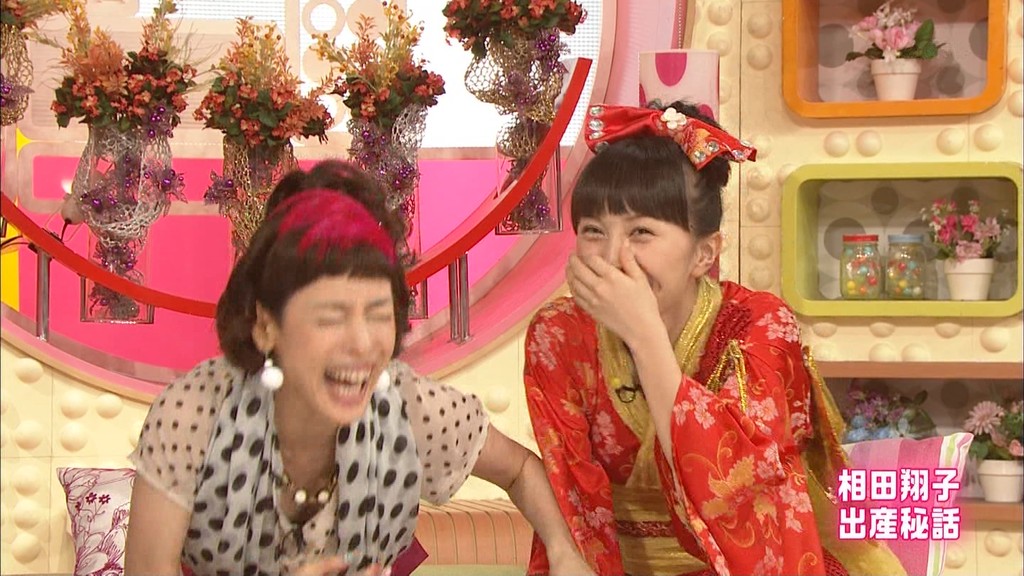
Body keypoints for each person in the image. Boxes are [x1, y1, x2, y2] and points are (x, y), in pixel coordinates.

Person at [125, 162, 592, 575]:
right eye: (331, 317)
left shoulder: (408, 405)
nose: (364, 344)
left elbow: (520, 470)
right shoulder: (195, 412)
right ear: (265, 326)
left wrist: (565, 553)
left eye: (378, 314)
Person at [522, 102, 907, 576]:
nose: (613, 256)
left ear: (704, 253)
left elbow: (748, 496)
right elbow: (575, 496)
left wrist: (645, 336)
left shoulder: (760, 324)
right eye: (593, 231)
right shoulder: (559, 333)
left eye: (641, 231)